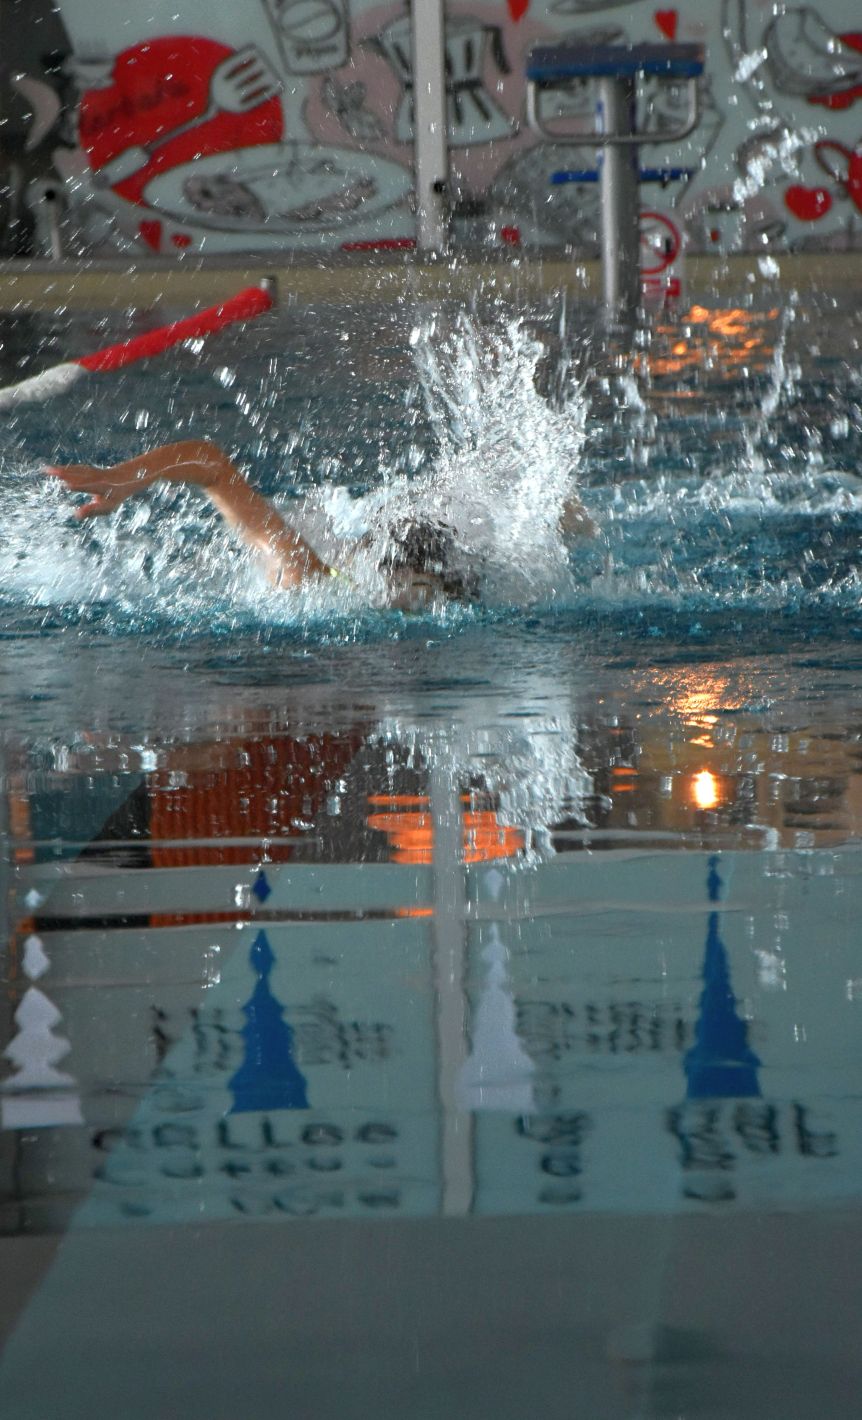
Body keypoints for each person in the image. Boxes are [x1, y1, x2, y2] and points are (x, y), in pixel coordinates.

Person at [46, 437, 594, 607]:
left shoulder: (476, 587)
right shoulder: (310, 577)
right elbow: (210, 463)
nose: (405, 604)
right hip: (338, 548)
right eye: (405, 592)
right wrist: (123, 478)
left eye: (419, 596)